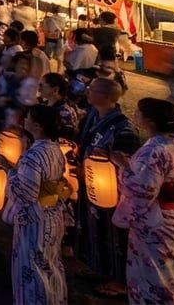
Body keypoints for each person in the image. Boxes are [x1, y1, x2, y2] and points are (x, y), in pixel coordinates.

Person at [112, 98, 174, 305]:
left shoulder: (153, 151)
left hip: (155, 222)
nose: (135, 115)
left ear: (149, 121)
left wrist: (123, 165)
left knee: (153, 278)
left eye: (138, 112)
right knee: (169, 274)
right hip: (173, 217)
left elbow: (142, 191)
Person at [75, 77, 140, 298]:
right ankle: (99, 268)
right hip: (91, 181)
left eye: (91, 89)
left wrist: (109, 158)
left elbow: (127, 164)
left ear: (105, 96)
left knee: (114, 236)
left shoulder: (124, 128)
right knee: (93, 228)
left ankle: (119, 280)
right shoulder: (93, 115)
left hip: (112, 190)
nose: (87, 91)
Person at [0, 104, 69, 305]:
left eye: (28, 118)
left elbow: (25, 195)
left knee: (32, 269)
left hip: (35, 220)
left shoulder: (33, 156)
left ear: (37, 126)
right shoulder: (55, 149)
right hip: (52, 214)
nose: (24, 121)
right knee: (50, 265)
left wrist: (9, 169)